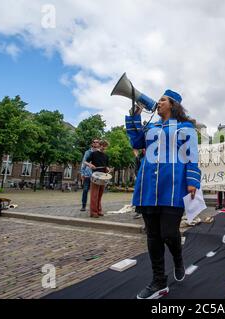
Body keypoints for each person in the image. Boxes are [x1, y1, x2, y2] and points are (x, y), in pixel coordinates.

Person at [126, 89, 201, 299]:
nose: (158, 103)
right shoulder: (151, 126)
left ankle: (178, 259)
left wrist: (192, 180)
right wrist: (134, 117)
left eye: (162, 100)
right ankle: (159, 281)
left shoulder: (186, 127)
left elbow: (192, 156)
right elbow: (135, 142)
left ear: (173, 104)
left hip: (173, 187)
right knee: (152, 235)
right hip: (148, 187)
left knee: (169, 233)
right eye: (158, 100)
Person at [85, 140, 111, 218]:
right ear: (100, 145)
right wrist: (90, 165)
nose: (104, 148)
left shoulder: (106, 156)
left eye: (105, 147)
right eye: (103, 146)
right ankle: (93, 212)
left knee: (100, 195)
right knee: (94, 195)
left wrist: (108, 169)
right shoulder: (94, 154)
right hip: (95, 176)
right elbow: (85, 162)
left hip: (103, 176)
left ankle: (99, 210)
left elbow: (106, 166)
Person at [80, 139, 100, 212]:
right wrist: (82, 173)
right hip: (87, 174)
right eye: (94, 142)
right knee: (85, 190)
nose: (95, 143)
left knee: (95, 192)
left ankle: (94, 207)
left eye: (97, 142)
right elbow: (83, 162)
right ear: (92, 144)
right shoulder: (88, 152)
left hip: (96, 175)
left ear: (99, 144)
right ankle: (83, 205)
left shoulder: (99, 153)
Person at [132, 149, 145, 219]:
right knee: (139, 195)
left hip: (149, 178)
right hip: (141, 178)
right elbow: (136, 168)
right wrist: (138, 176)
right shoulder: (139, 157)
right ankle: (138, 212)